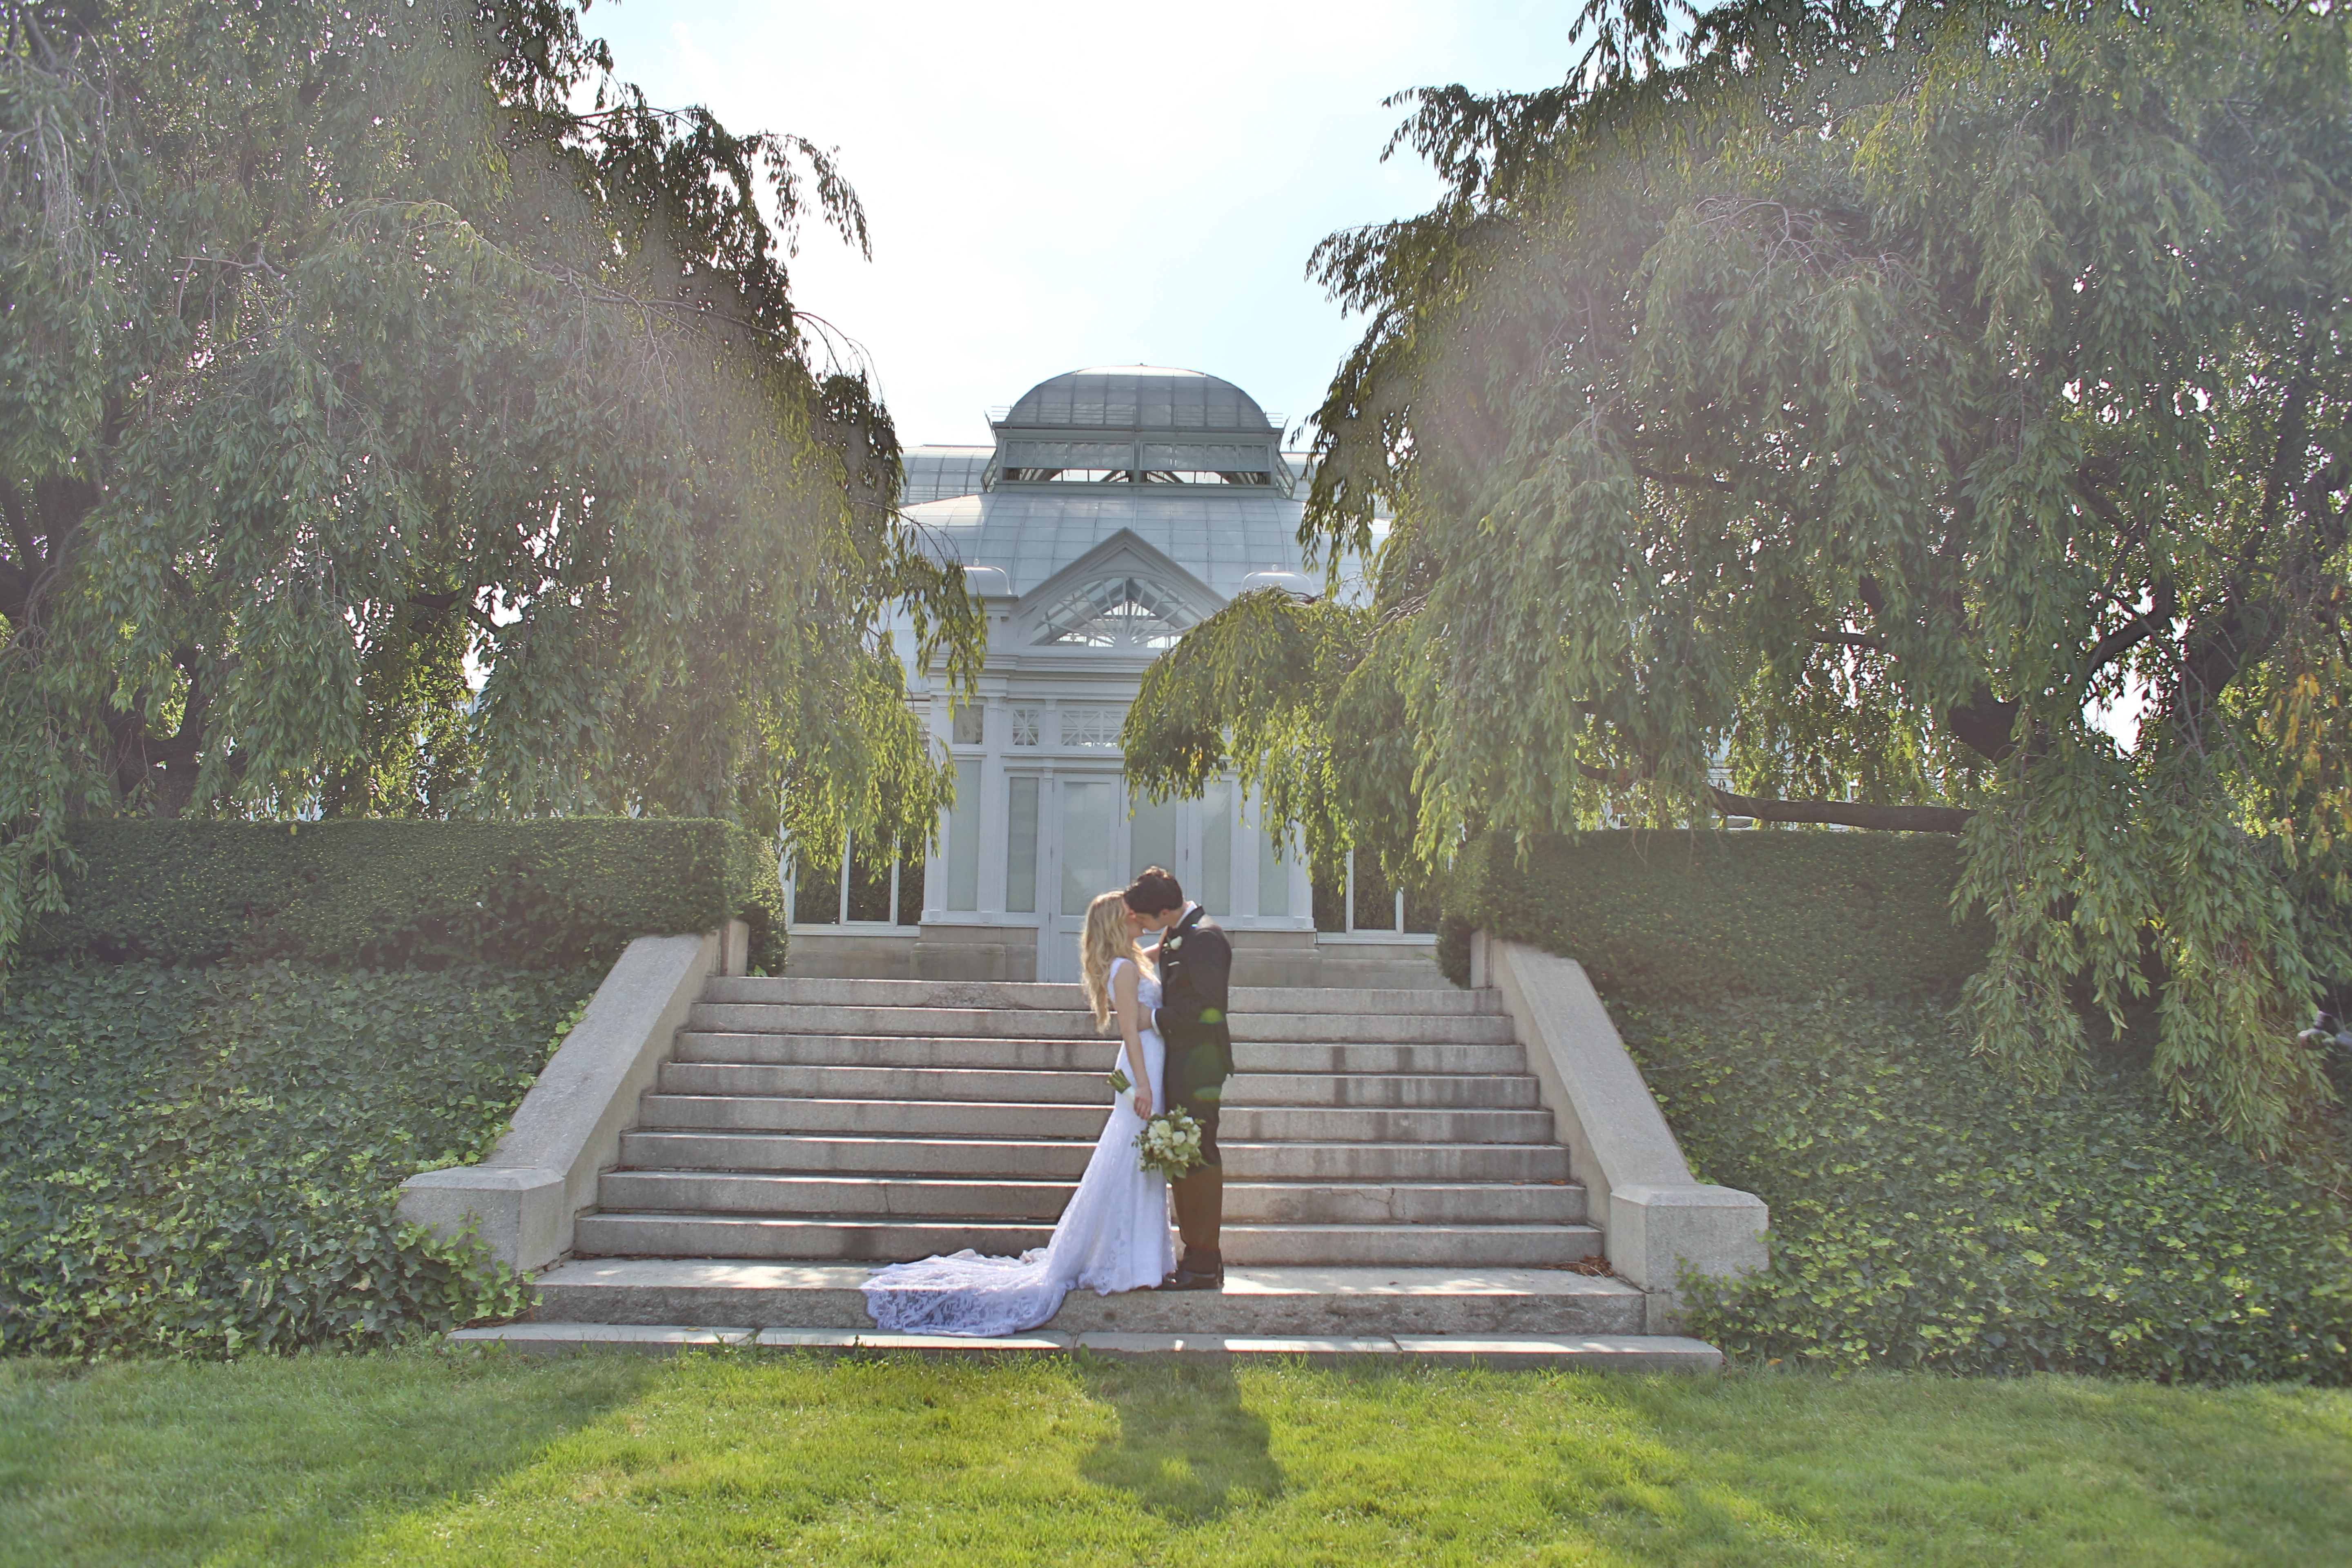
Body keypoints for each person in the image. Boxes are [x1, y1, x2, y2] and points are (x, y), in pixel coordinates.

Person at [858, 891, 1175, 1336]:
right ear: (1118, 922)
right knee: (1132, 1161)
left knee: (1137, 1161)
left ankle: (1142, 1259)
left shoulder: (1132, 959)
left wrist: (1179, 927)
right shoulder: (1124, 969)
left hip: (1156, 1064)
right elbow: (1129, 1030)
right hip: (1143, 1068)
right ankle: (1128, 1264)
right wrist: (1142, 1084)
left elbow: (1158, 948)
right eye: (1131, 912)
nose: (1140, 916)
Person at [1123, 865, 1232, 1291]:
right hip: (1183, 1062)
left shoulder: (1205, 939)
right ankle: (1201, 1257)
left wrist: (1152, 1019)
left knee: (1198, 1157)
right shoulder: (1180, 933)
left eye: (1144, 920)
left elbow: (1209, 1011)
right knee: (1186, 1159)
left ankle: (1203, 1262)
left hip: (1201, 1065)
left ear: (1165, 911)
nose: (1142, 927)